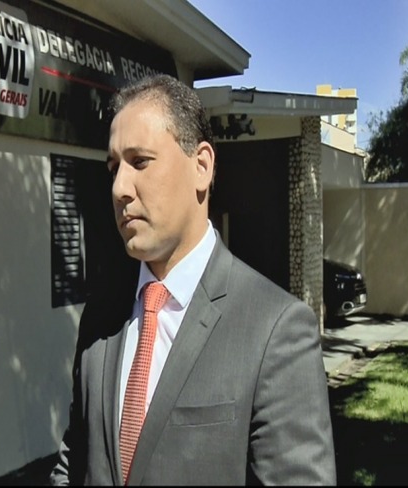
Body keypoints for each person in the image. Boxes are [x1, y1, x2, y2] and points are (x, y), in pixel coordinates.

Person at [49, 74, 336, 486]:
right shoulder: (101, 317)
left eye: (139, 161)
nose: (119, 188)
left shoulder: (276, 330)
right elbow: (75, 462)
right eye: (113, 168)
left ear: (201, 166)